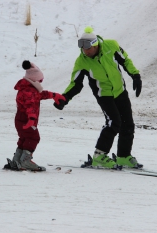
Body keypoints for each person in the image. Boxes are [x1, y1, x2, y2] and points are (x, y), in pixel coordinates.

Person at [54, 26, 143, 169]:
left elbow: (125, 60)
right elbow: (76, 84)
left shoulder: (111, 45)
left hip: (120, 91)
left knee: (128, 124)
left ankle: (123, 156)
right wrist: (65, 98)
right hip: (104, 95)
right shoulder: (81, 61)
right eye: (83, 49)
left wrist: (136, 76)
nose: (86, 51)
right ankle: (99, 156)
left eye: (88, 48)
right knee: (114, 122)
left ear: (95, 44)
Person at [4, 60, 66, 171]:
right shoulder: (29, 91)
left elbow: (39, 95)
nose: (41, 82)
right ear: (34, 79)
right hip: (26, 119)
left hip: (21, 118)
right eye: (39, 80)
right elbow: (30, 105)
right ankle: (25, 161)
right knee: (33, 138)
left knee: (24, 138)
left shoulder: (29, 89)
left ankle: (17, 160)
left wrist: (54, 95)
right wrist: (32, 119)